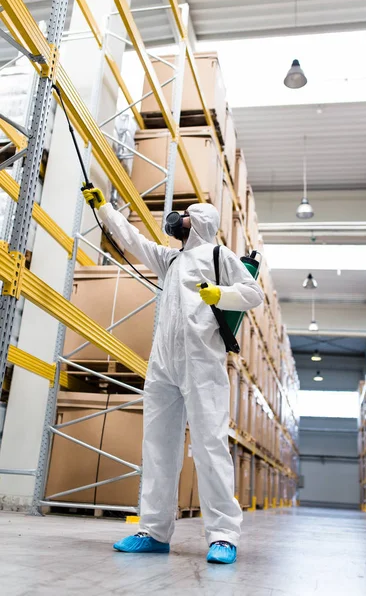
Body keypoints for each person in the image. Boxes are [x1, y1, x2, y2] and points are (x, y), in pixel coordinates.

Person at [82, 187, 264, 564]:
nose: (177, 220)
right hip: (162, 364)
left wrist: (220, 294)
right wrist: (105, 209)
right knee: (158, 447)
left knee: (210, 446)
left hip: (202, 364)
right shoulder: (170, 260)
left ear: (199, 222)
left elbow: (252, 294)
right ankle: (153, 530)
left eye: (185, 215)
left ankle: (224, 536)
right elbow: (132, 241)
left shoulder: (218, 255)